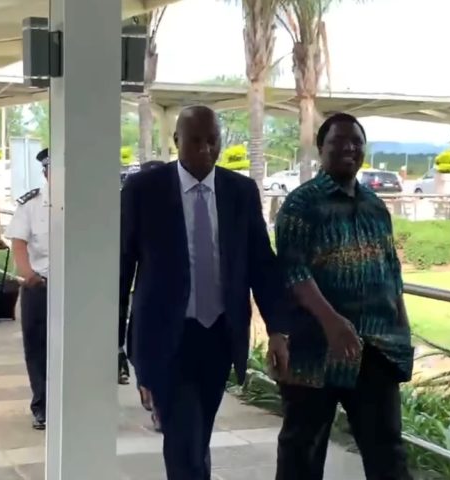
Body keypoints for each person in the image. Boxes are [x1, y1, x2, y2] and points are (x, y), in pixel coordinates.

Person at [120, 105, 288, 480]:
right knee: (184, 440)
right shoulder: (144, 190)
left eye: (213, 140)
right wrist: (117, 343)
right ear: (176, 140)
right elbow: (122, 265)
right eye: (195, 140)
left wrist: (278, 329)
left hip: (219, 336)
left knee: (197, 436)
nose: (205, 149)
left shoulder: (239, 192)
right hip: (166, 338)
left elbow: (262, 264)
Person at [275, 113, 414, 480]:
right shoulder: (301, 205)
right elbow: (293, 272)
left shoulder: (375, 206)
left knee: (388, 453)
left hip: (376, 350)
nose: (349, 148)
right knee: (302, 452)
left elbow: (391, 270)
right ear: (321, 148)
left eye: (357, 142)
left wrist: (402, 329)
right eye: (339, 141)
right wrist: (332, 322)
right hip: (314, 351)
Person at [6, 148, 49, 431]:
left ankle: (72, 404)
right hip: (40, 286)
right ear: (46, 173)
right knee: (37, 348)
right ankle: (42, 406)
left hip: (74, 289)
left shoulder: (82, 202)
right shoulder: (31, 204)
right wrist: (28, 274)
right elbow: (18, 242)